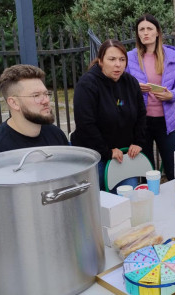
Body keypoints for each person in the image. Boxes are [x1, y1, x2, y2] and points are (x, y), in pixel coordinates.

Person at [71, 39, 147, 191]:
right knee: (98, 201)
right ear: (100, 61)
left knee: (127, 199)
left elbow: (141, 114)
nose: (117, 64)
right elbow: (86, 124)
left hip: (122, 156)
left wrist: (138, 141)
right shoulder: (87, 84)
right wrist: (106, 151)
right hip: (94, 156)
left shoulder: (130, 82)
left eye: (122, 59)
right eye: (111, 59)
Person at [126, 14, 175, 181]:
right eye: (141, 30)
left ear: (157, 32)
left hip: (167, 122)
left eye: (149, 29)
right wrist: (135, 88)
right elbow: (121, 86)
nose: (145, 33)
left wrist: (171, 95)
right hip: (141, 122)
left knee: (173, 168)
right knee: (147, 171)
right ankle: (151, 202)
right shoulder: (129, 57)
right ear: (137, 34)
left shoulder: (171, 56)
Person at [0, 64, 68, 158]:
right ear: (14, 103)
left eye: (46, 94)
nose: (46, 100)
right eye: (36, 95)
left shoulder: (55, 134)